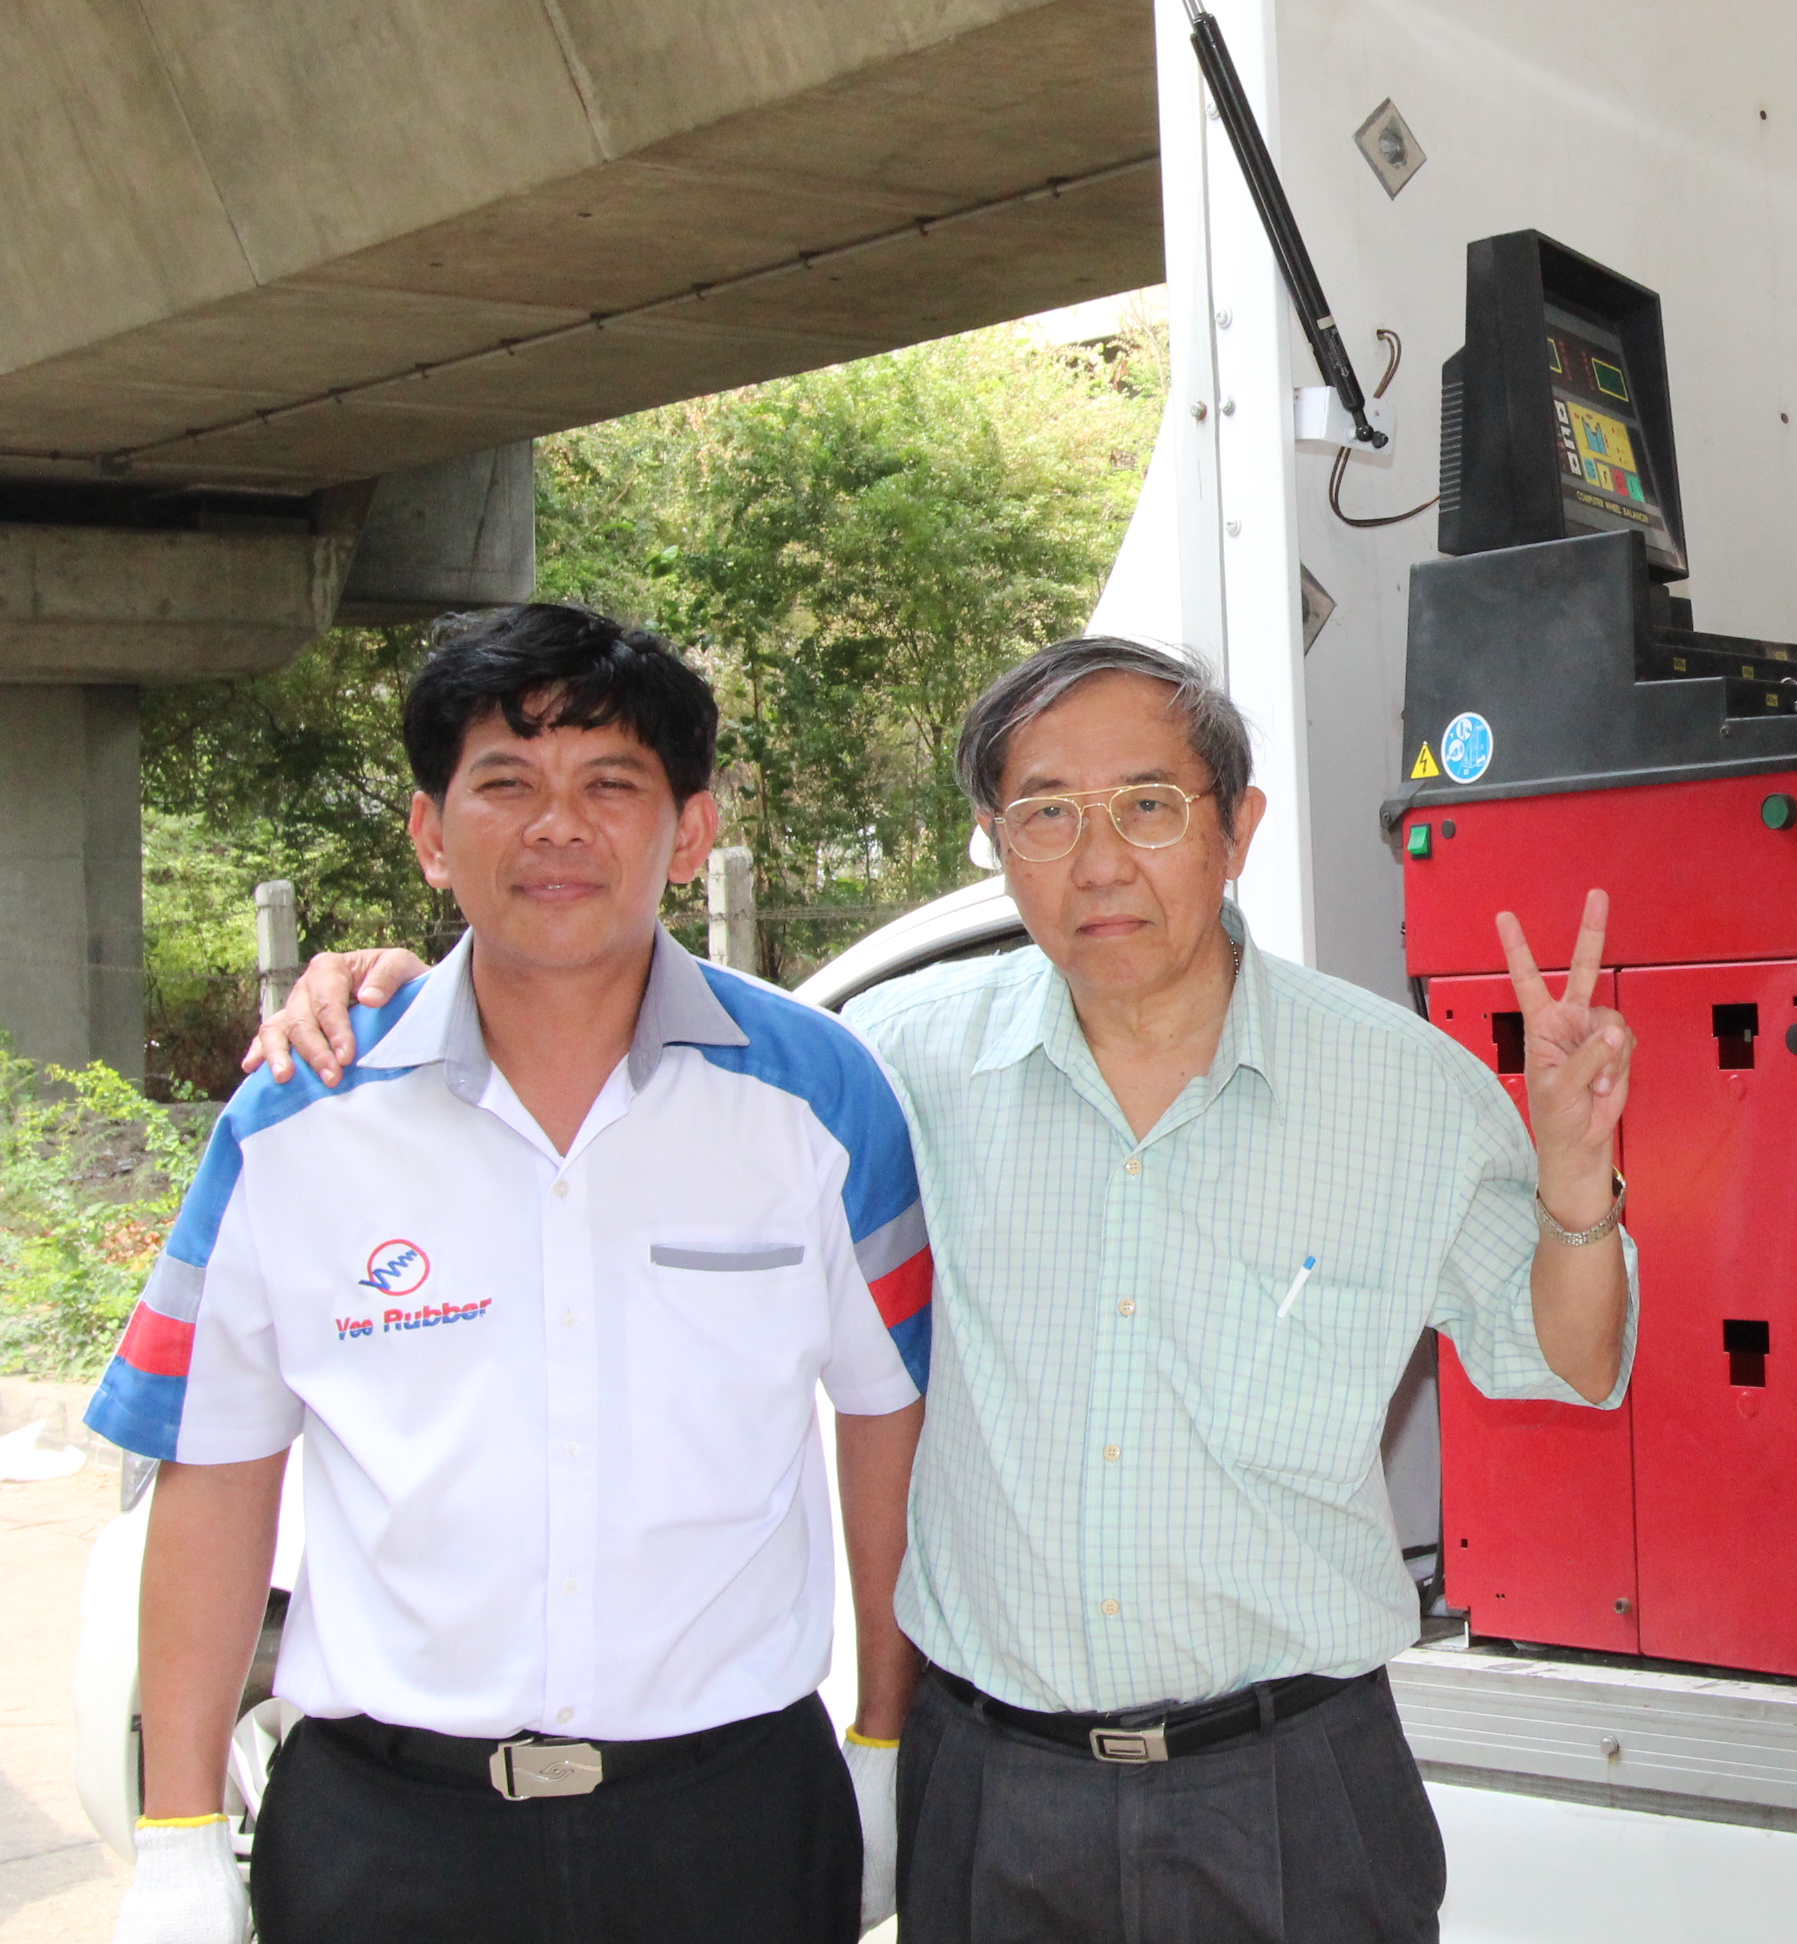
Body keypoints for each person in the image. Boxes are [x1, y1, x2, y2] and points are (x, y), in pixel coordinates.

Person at [256, 633, 1637, 1942]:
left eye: (1149, 805)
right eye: (1046, 814)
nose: (1100, 859)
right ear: (997, 844)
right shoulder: (893, 1068)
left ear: (1238, 829)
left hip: (1291, 1781)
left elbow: (1572, 1362)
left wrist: (1579, 1189)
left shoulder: (1404, 1091)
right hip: (994, 1784)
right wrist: (408, 991)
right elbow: (633, 1053)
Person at [97, 604, 929, 1944]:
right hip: (387, 1837)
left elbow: (893, 1426)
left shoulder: (820, 1096)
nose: (557, 828)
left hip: (731, 1828)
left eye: (611, 785)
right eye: (506, 784)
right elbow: (216, 1471)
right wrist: (180, 1837)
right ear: (431, 835)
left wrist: (886, 1744)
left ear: (691, 831)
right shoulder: (300, 1116)